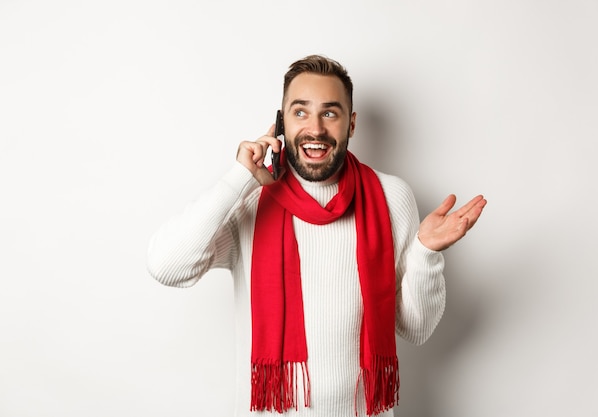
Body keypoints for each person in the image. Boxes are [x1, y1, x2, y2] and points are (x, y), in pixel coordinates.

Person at [147, 55, 486, 417]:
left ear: (351, 124)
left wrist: (426, 253)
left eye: (329, 113)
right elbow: (167, 266)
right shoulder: (248, 199)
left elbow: (416, 329)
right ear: (281, 122)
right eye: (300, 112)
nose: (315, 129)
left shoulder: (391, 196)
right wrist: (239, 177)